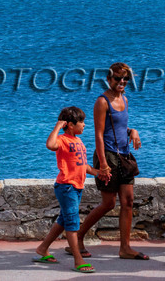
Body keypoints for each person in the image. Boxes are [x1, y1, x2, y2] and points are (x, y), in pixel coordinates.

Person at [79, 62, 146, 261]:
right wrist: (103, 164)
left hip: (124, 156)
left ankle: (125, 248)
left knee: (128, 202)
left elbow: (117, 128)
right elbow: (99, 135)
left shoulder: (124, 100)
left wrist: (133, 131)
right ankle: (78, 237)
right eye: (118, 78)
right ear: (109, 79)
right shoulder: (102, 101)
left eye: (126, 79)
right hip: (107, 155)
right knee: (108, 203)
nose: (122, 82)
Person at [35, 106, 104, 273]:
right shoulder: (63, 139)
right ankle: (78, 260)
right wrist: (58, 127)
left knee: (64, 220)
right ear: (70, 125)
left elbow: (83, 165)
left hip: (77, 186)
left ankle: (43, 248)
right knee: (72, 222)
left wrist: (97, 172)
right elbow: (50, 145)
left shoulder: (78, 141)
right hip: (66, 186)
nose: (84, 125)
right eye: (81, 122)